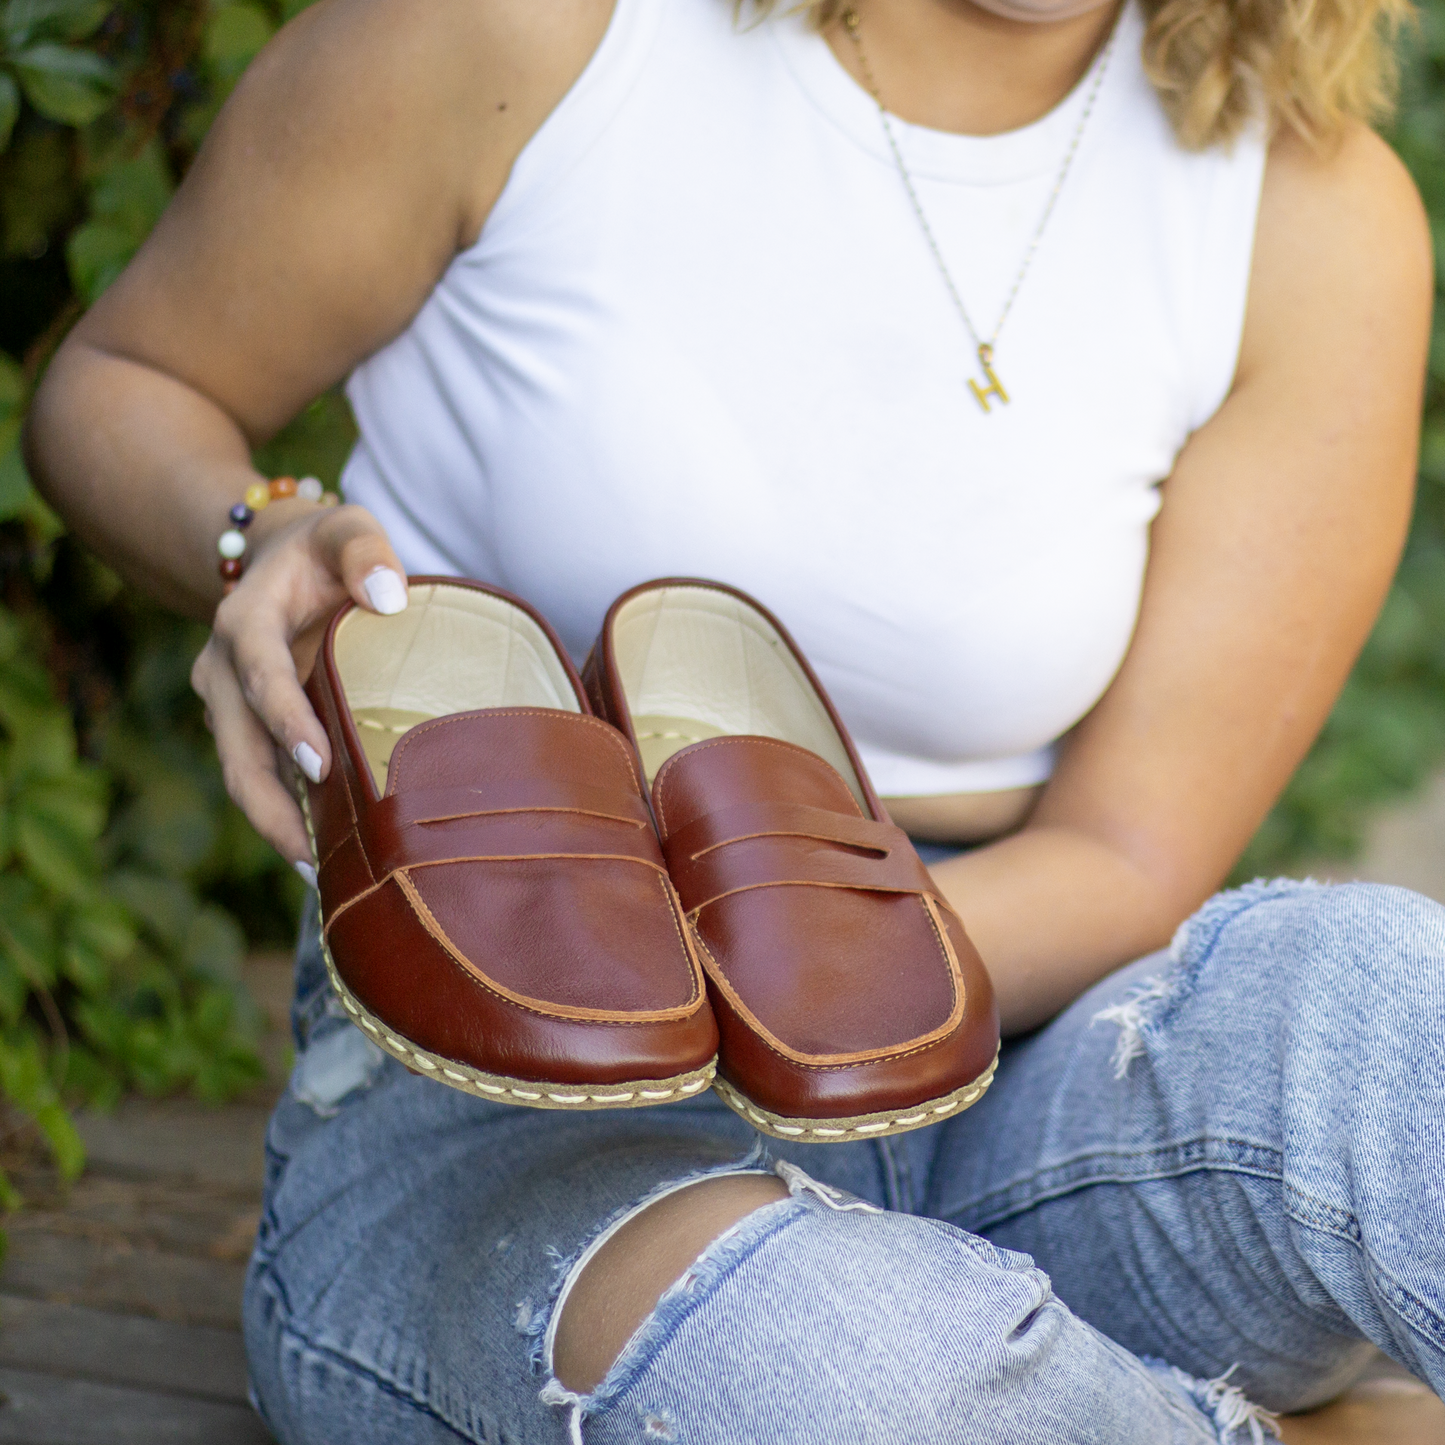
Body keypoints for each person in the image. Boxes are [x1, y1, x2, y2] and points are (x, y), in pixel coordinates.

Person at [24, 0, 1443, 1438]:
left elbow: (1132, 849)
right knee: (810, 1365)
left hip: (1003, 1037)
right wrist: (260, 534)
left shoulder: (1309, 216)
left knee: (1391, 1012)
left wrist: (811, 961)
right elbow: (127, 383)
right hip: (515, 1057)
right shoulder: (537, 31)